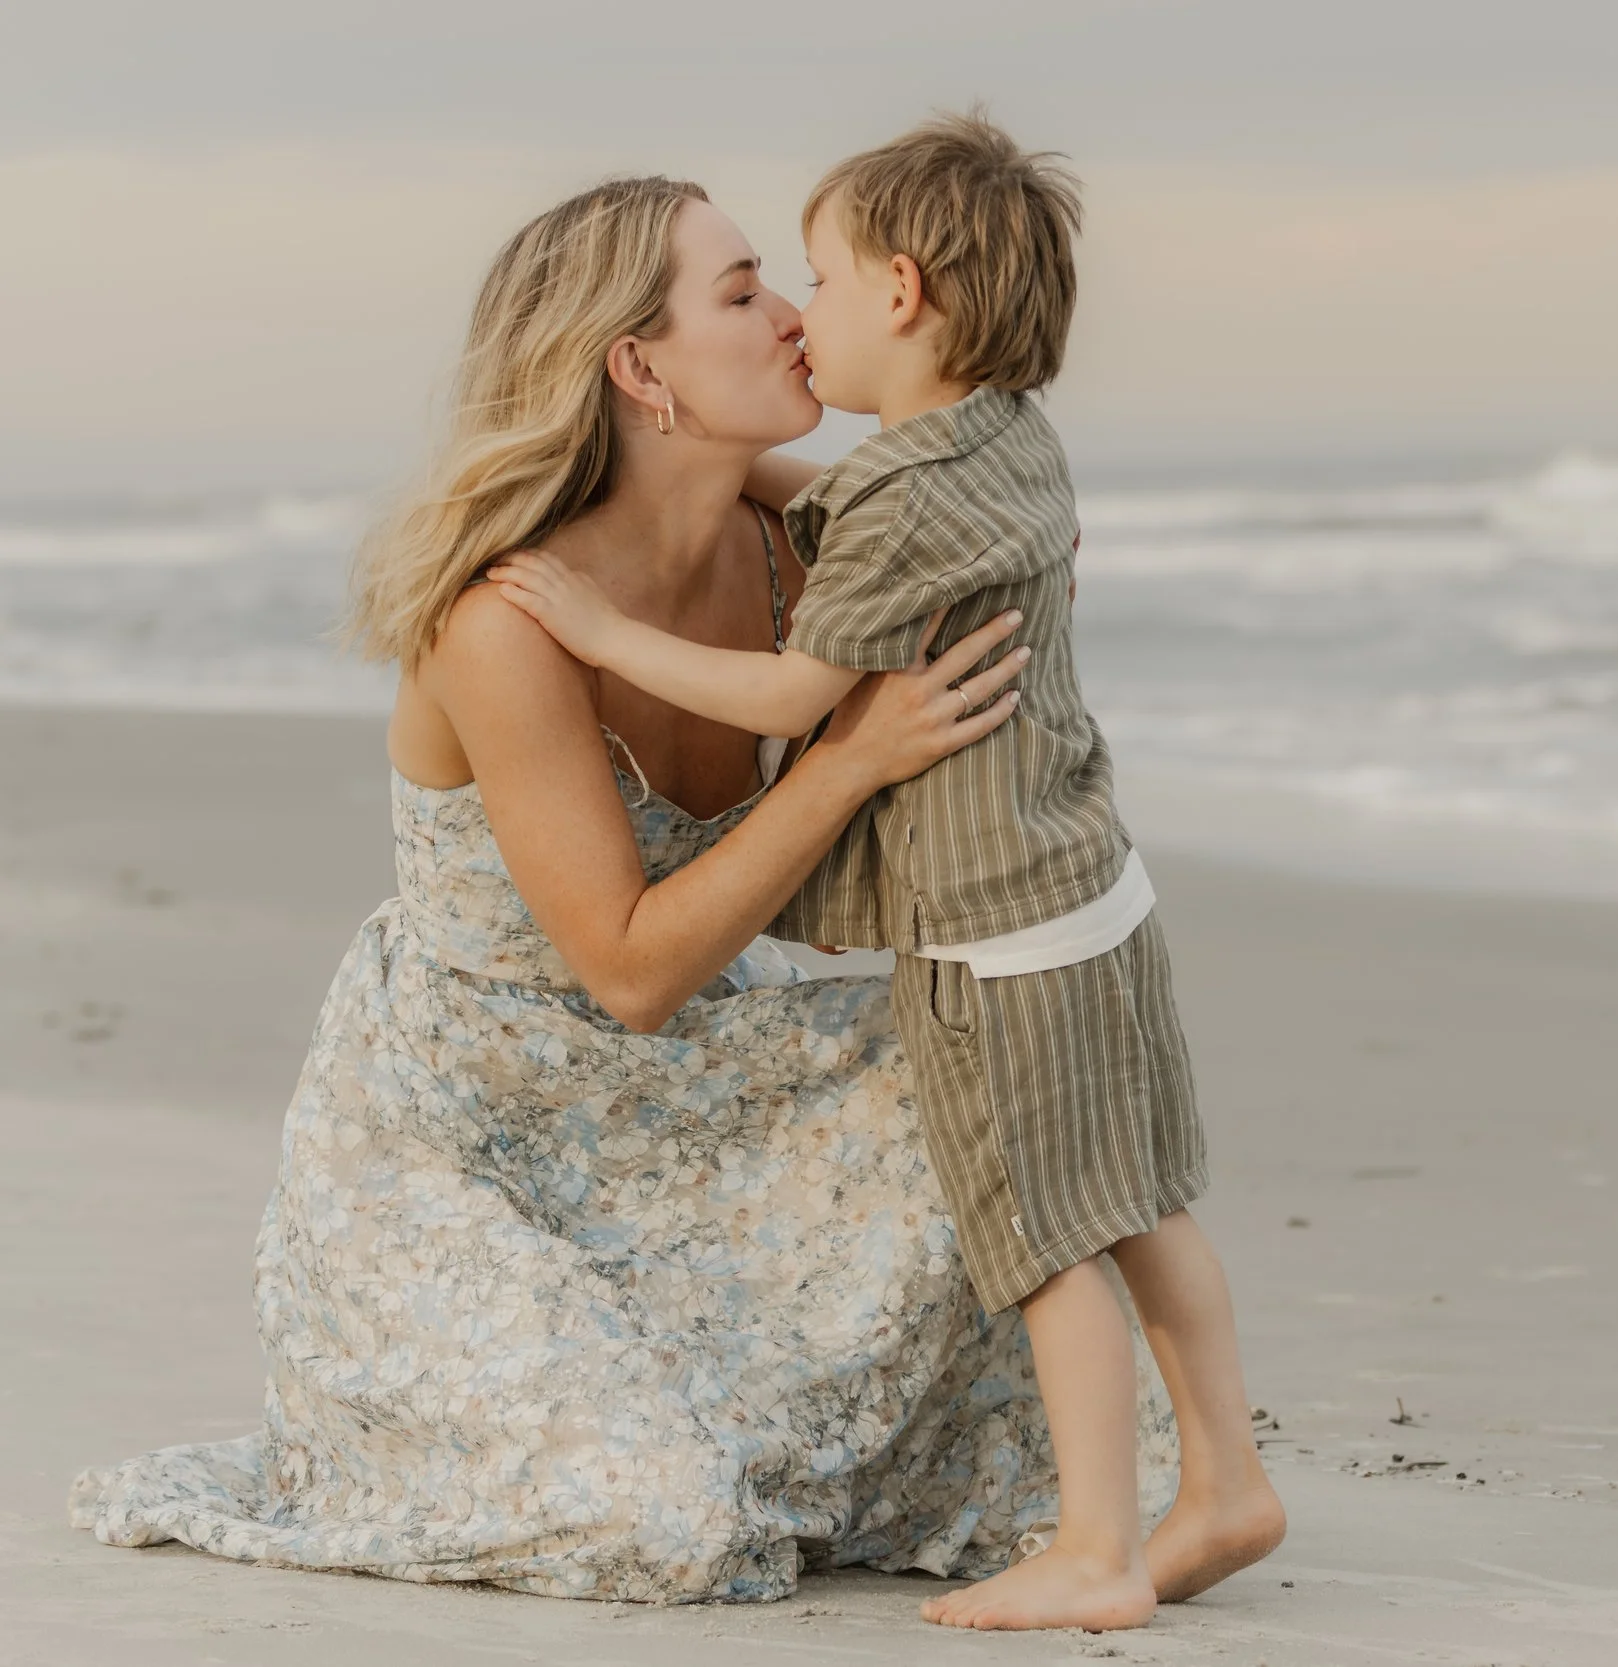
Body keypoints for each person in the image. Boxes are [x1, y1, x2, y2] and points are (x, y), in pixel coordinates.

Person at [69, 175, 1177, 1603]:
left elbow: (941, 521)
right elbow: (634, 972)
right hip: (482, 1134)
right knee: (654, 1518)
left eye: (782, 282)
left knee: (991, 1096)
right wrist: (846, 764)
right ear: (637, 369)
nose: (791, 317)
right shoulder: (505, 619)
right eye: (740, 294)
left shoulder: (796, 547)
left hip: (714, 1088)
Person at [487, 115, 1283, 1631]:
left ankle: (1100, 1545)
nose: (803, 310)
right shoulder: (1004, 444)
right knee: (1143, 1204)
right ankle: (1228, 1476)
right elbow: (834, 502)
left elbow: (793, 702)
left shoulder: (896, 500)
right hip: (1092, 886)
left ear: (904, 292)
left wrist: (600, 635)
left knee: (1046, 1237)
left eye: (824, 280)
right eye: (754, 292)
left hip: (994, 930)